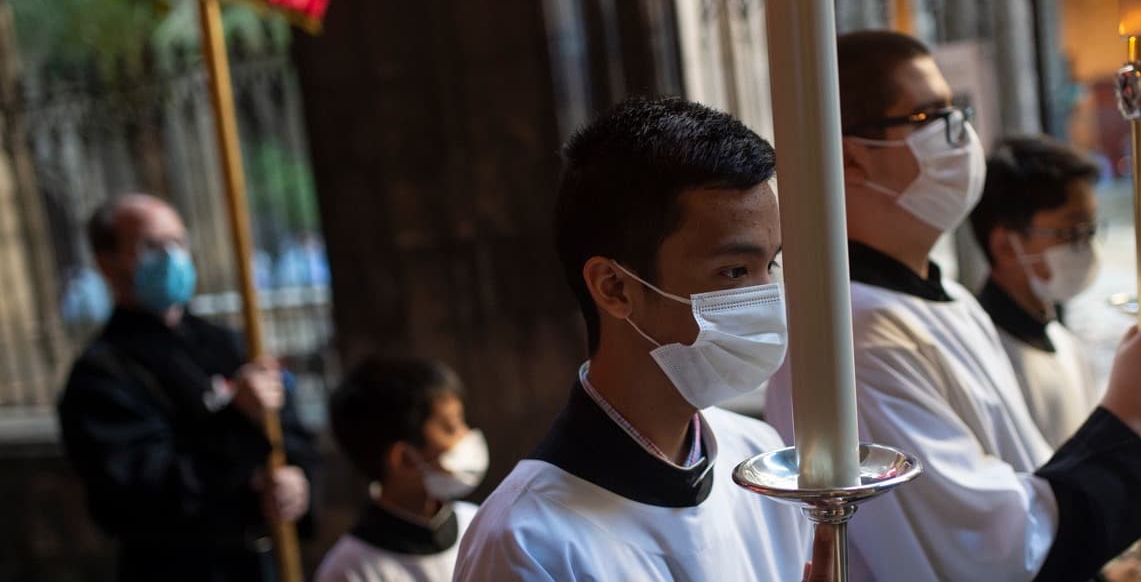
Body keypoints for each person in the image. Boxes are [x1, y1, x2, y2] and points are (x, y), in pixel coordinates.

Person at [764, 30, 1141, 582]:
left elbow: (1025, 478)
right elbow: (992, 554)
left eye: (956, 110)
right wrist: (1128, 414)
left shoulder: (945, 300)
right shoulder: (856, 341)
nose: (960, 135)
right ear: (850, 159)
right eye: (930, 117)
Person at [453, 97, 820, 582]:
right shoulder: (527, 541)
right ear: (615, 287)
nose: (767, 299)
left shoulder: (757, 458)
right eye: (734, 271)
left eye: (768, 266)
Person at [57, 193, 320, 582]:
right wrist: (236, 420)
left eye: (178, 242)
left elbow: (292, 437)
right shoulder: (102, 375)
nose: (172, 257)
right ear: (106, 262)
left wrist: (298, 482)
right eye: (151, 246)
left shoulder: (229, 344)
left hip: (263, 563)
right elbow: (144, 493)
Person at [969, 137, 1102, 448]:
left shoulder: (1062, 339)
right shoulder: (984, 357)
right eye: (1071, 232)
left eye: (1090, 230)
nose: (1086, 247)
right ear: (1005, 246)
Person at [316, 358, 486, 582]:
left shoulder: (477, 525)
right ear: (404, 459)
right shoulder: (349, 571)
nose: (466, 437)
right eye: (452, 428)